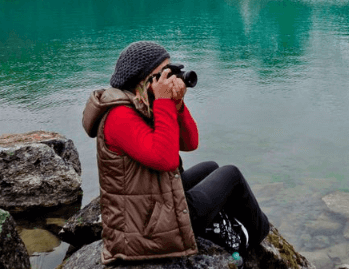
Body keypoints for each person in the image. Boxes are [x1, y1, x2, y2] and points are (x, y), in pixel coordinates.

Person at [82, 41, 270, 264]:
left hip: (150, 209)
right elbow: (166, 159)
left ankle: (222, 228)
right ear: (143, 79)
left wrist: (177, 104)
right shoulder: (119, 116)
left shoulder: (139, 103)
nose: (170, 78)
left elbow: (190, 142)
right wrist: (163, 101)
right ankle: (259, 232)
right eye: (163, 73)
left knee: (210, 167)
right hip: (144, 230)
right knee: (231, 175)